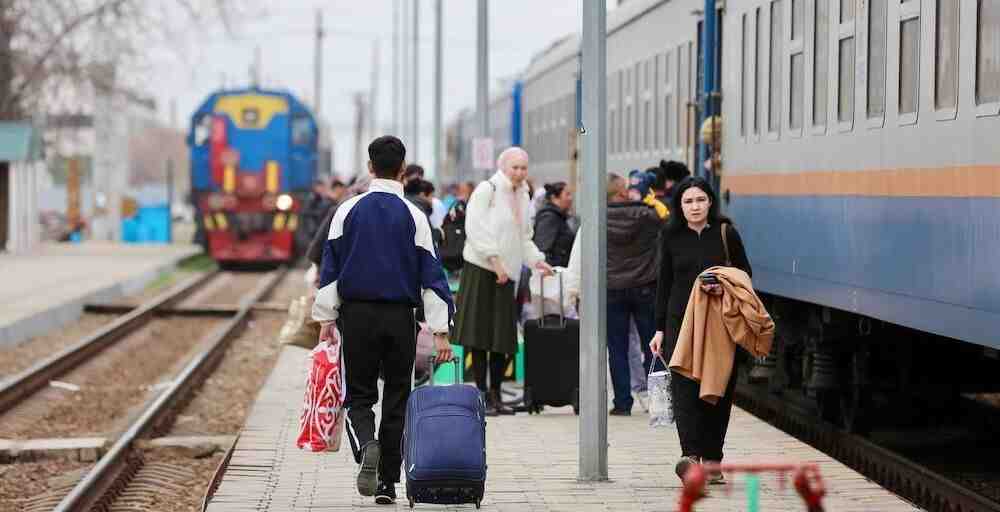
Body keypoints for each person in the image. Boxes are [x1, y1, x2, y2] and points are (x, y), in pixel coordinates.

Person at [313, 136, 454, 505]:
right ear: (403, 171)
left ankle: (366, 447)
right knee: (397, 397)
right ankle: (387, 483)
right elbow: (433, 279)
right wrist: (440, 332)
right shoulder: (415, 216)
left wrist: (326, 317)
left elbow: (330, 269)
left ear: (370, 167)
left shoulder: (347, 210)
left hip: (356, 315)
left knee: (358, 396)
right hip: (400, 318)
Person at [649, 176, 751, 485]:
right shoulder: (670, 237)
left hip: (720, 326)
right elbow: (663, 283)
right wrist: (658, 330)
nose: (695, 206)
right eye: (688, 201)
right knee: (684, 393)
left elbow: (745, 274)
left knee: (717, 395)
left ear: (710, 202)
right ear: (680, 206)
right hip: (680, 324)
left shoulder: (725, 234)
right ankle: (690, 457)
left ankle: (713, 459)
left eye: (700, 200)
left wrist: (723, 285)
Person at [453, 147, 553, 416]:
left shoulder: (523, 194)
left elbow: (524, 236)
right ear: (503, 167)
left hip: (506, 273)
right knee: (479, 337)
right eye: (515, 167)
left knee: (501, 338)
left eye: (523, 168)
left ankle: (496, 394)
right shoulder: (488, 189)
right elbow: (475, 229)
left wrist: (536, 260)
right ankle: (482, 395)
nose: (520, 173)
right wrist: (495, 261)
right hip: (482, 268)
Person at [605, 173, 663, 416]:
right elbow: (667, 222)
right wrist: (652, 202)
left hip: (612, 289)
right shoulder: (647, 216)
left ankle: (622, 403)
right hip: (645, 288)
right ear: (622, 192)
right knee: (654, 345)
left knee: (617, 348)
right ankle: (660, 403)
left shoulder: (599, 217)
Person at [532, 182, 576, 268]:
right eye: (567, 194)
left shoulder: (560, 217)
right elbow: (542, 248)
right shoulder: (549, 218)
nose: (571, 198)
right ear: (554, 198)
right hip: (551, 273)